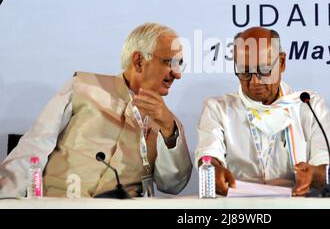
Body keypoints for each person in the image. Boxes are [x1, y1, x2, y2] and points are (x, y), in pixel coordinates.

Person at [0, 23, 192, 198]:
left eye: (180, 64)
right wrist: (6, 200)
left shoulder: (167, 122)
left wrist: (168, 129)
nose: (177, 74)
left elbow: (172, 184)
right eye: (170, 62)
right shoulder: (83, 86)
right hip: (61, 203)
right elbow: (34, 146)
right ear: (139, 61)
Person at [195, 27, 330, 196]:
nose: (254, 82)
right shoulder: (218, 108)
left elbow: (325, 167)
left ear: (282, 63)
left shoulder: (308, 106)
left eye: (264, 70)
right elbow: (209, 155)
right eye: (245, 72)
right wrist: (212, 169)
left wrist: (313, 174)